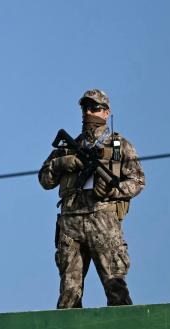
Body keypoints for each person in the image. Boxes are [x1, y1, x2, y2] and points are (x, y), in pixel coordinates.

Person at [39, 89, 145, 308]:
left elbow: (137, 181)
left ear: (106, 113)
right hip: (71, 224)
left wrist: (113, 191)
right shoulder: (68, 147)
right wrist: (61, 164)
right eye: (85, 108)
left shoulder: (118, 146)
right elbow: (44, 180)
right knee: (69, 294)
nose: (89, 113)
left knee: (116, 288)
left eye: (95, 108)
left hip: (103, 221)